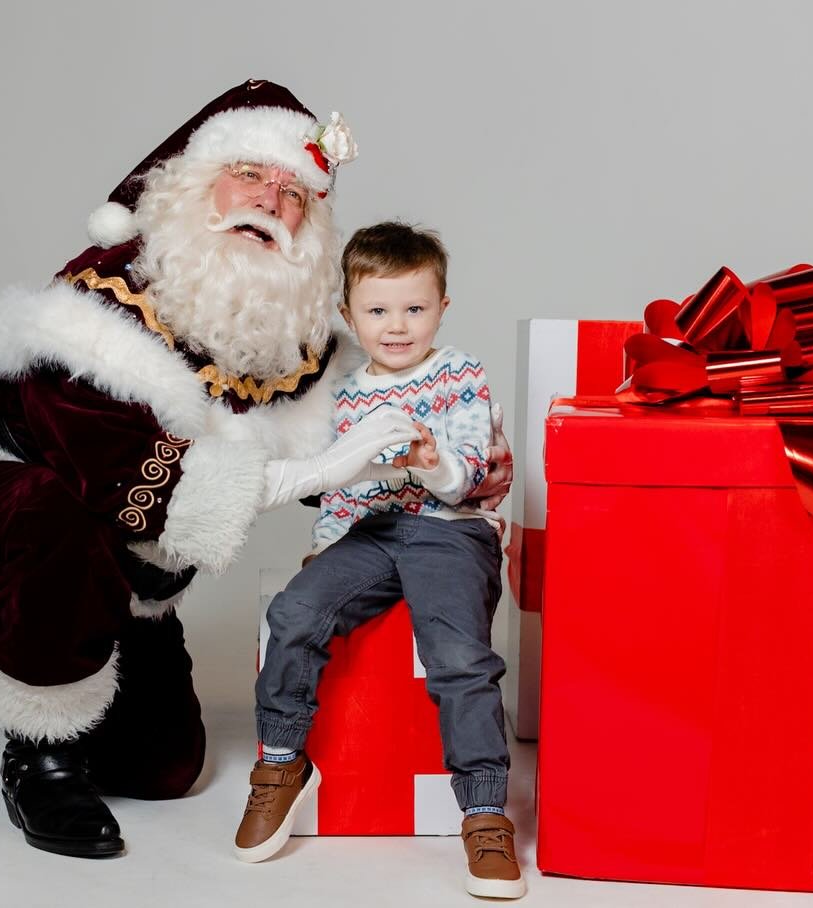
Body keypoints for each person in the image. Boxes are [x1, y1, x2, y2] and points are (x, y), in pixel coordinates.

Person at [0, 81, 512, 859]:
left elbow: (376, 410)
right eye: (250, 174)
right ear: (192, 182)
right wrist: (342, 459)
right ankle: (38, 751)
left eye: (293, 193)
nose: (269, 202)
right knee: (54, 519)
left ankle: (98, 632)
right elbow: (126, 476)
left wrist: (456, 460)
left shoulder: (297, 340)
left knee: (164, 767)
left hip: (129, 556)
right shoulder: (98, 299)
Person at [234, 223, 525, 899]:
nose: (397, 326)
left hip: (450, 529)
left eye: (414, 309)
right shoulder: (341, 391)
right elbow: (333, 486)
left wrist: (430, 462)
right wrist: (328, 549)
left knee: (458, 658)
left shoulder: (460, 376)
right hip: (367, 532)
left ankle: (483, 811)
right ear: (350, 315)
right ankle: (281, 762)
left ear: (442, 307)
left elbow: (464, 480)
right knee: (294, 612)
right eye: (378, 310)